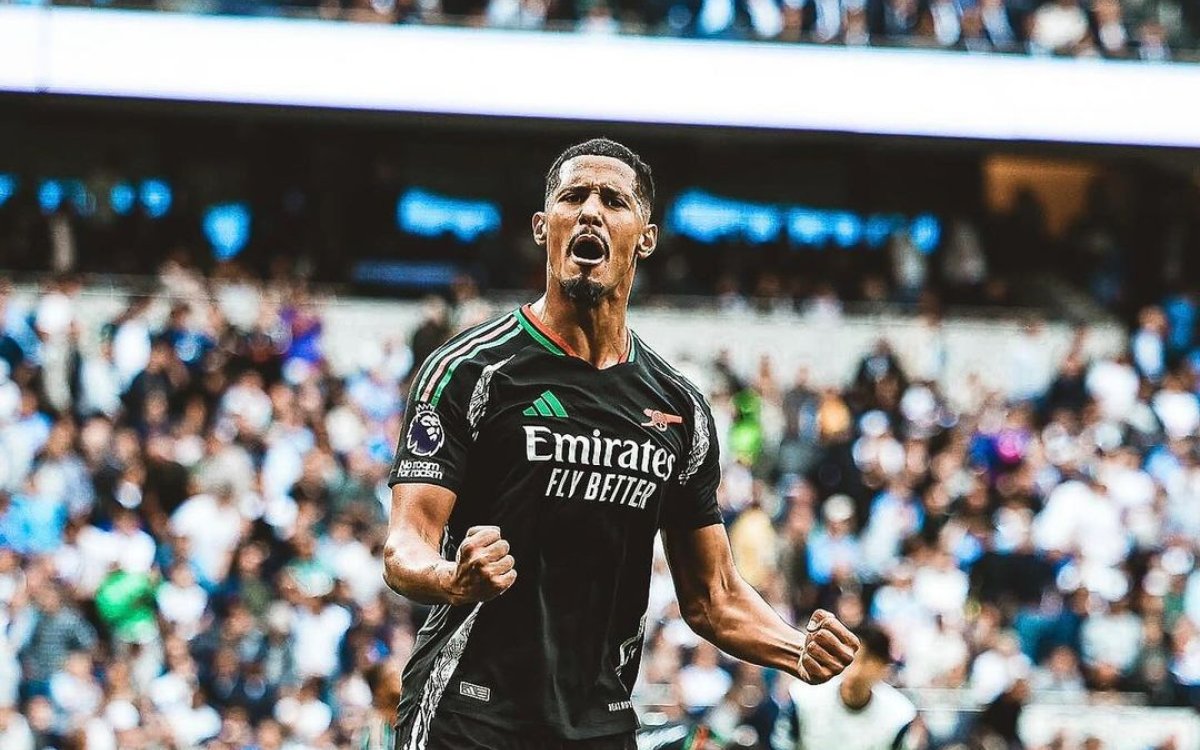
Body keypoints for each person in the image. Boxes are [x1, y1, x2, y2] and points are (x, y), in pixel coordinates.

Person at [383, 138, 860, 750]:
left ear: (646, 237)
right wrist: (452, 577)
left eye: (613, 200)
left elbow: (712, 596)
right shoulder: (469, 371)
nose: (590, 211)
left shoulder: (679, 407)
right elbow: (404, 545)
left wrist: (796, 649)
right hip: (467, 714)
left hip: (599, 722)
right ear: (542, 227)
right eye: (572, 197)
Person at [771, 625, 917, 750]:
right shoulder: (804, 696)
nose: (855, 671)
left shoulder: (898, 715)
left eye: (866, 661)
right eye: (852, 660)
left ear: (883, 668)